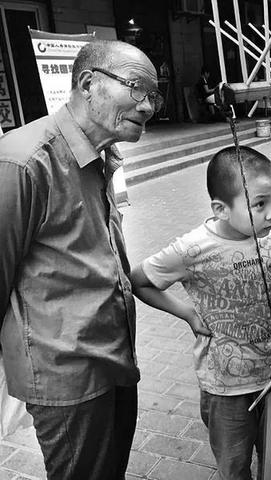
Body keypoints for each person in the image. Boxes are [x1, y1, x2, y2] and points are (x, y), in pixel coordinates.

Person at [0, 39, 161, 478]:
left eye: (154, 94)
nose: (148, 106)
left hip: (113, 355)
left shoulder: (102, 154)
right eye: (136, 88)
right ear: (88, 83)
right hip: (66, 373)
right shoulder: (23, 161)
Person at [131, 146, 271, 480]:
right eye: (260, 204)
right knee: (234, 465)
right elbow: (139, 281)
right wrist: (187, 313)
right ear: (221, 208)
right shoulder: (193, 248)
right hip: (225, 387)